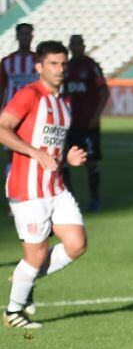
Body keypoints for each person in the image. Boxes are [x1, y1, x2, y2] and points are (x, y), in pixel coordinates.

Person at [0, 41, 88, 329]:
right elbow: (2, 128)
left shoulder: (64, 104)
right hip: (28, 189)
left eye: (63, 64)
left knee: (76, 244)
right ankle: (13, 311)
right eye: (53, 64)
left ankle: (26, 276)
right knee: (36, 255)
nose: (60, 69)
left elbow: (51, 149)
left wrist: (67, 158)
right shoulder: (29, 95)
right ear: (39, 67)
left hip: (55, 186)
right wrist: (32, 151)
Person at [62, 35, 110, 212]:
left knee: (91, 162)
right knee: (64, 162)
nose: (76, 48)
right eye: (73, 45)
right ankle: (69, 199)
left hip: (89, 124)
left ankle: (95, 199)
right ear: (70, 47)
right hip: (69, 124)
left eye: (79, 44)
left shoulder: (91, 66)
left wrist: (96, 116)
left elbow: (104, 92)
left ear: (83, 46)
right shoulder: (65, 67)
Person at [0, 23, 37, 107]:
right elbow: (2, 87)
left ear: (31, 36)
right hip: (11, 109)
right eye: (22, 34)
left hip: (34, 108)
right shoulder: (6, 61)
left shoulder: (39, 61)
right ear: (17, 36)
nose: (25, 37)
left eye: (27, 34)